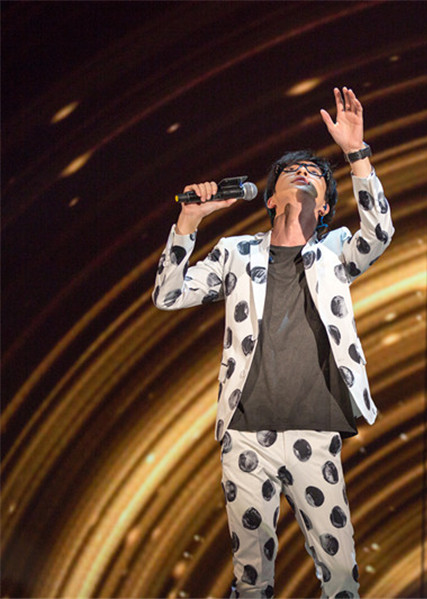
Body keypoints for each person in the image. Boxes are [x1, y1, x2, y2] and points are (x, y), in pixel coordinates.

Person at [153, 87, 392, 599]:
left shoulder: (336, 251)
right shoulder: (236, 253)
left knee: (341, 573)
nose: (304, 172)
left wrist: (356, 152)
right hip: (246, 433)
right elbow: (168, 295)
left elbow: (379, 233)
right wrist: (188, 222)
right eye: (292, 171)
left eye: (314, 174)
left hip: (315, 428)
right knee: (250, 578)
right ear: (270, 198)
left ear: (325, 206)